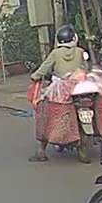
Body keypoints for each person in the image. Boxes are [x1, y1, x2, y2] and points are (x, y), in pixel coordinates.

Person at [28, 25, 92, 162]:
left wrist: (34, 76)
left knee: (43, 110)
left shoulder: (55, 53)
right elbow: (87, 68)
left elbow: (44, 68)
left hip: (60, 89)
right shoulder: (80, 51)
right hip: (81, 88)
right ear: (74, 38)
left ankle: (41, 151)